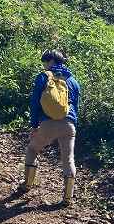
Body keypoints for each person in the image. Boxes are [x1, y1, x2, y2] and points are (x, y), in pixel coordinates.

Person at [22, 49, 81, 205]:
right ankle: (67, 198)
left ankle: (27, 185)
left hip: (47, 123)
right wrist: (73, 125)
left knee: (33, 149)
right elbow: (76, 106)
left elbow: (35, 103)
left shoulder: (43, 77)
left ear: (51, 61)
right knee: (68, 159)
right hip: (69, 125)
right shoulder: (73, 80)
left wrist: (34, 125)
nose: (44, 65)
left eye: (45, 62)